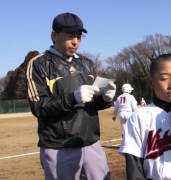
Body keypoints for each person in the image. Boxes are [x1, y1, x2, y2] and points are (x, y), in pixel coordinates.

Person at [26, 12, 116, 180]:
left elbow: (90, 104)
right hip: (59, 146)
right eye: (69, 35)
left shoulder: (86, 63)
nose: (75, 41)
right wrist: (72, 97)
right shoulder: (39, 63)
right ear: (54, 35)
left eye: (79, 36)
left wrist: (105, 99)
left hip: (91, 143)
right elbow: (38, 106)